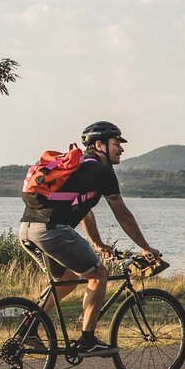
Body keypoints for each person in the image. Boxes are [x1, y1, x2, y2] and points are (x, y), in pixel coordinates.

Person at [18, 120, 160, 355]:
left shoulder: (80, 167)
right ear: (99, 144)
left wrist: (97, 243)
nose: (121, 149)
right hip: (52, 230)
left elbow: (85, 210)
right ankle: (88, 339)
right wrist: (145, 247)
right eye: (117, 144)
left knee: (69, 278)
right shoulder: (102, 171)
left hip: (27, 230)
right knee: (99, 274)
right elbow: (123, 214)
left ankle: (28, 327)